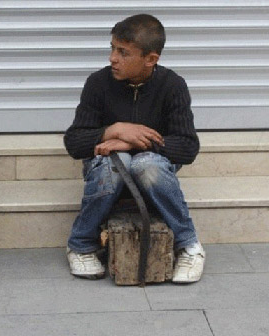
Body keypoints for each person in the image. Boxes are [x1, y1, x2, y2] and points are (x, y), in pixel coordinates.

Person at [64, 14, 205, 283]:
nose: (112, 58)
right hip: (107, 173)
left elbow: (187, 147)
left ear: (150, 59)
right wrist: (112, 130)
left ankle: (189, 246)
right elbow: (74, 142)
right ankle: (80, 244)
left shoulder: (172, 86)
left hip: (153, 174)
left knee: (144, 164)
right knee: (117, 165)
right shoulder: (98, 83)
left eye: (123, 52)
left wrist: (134, 140)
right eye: (112, 48)